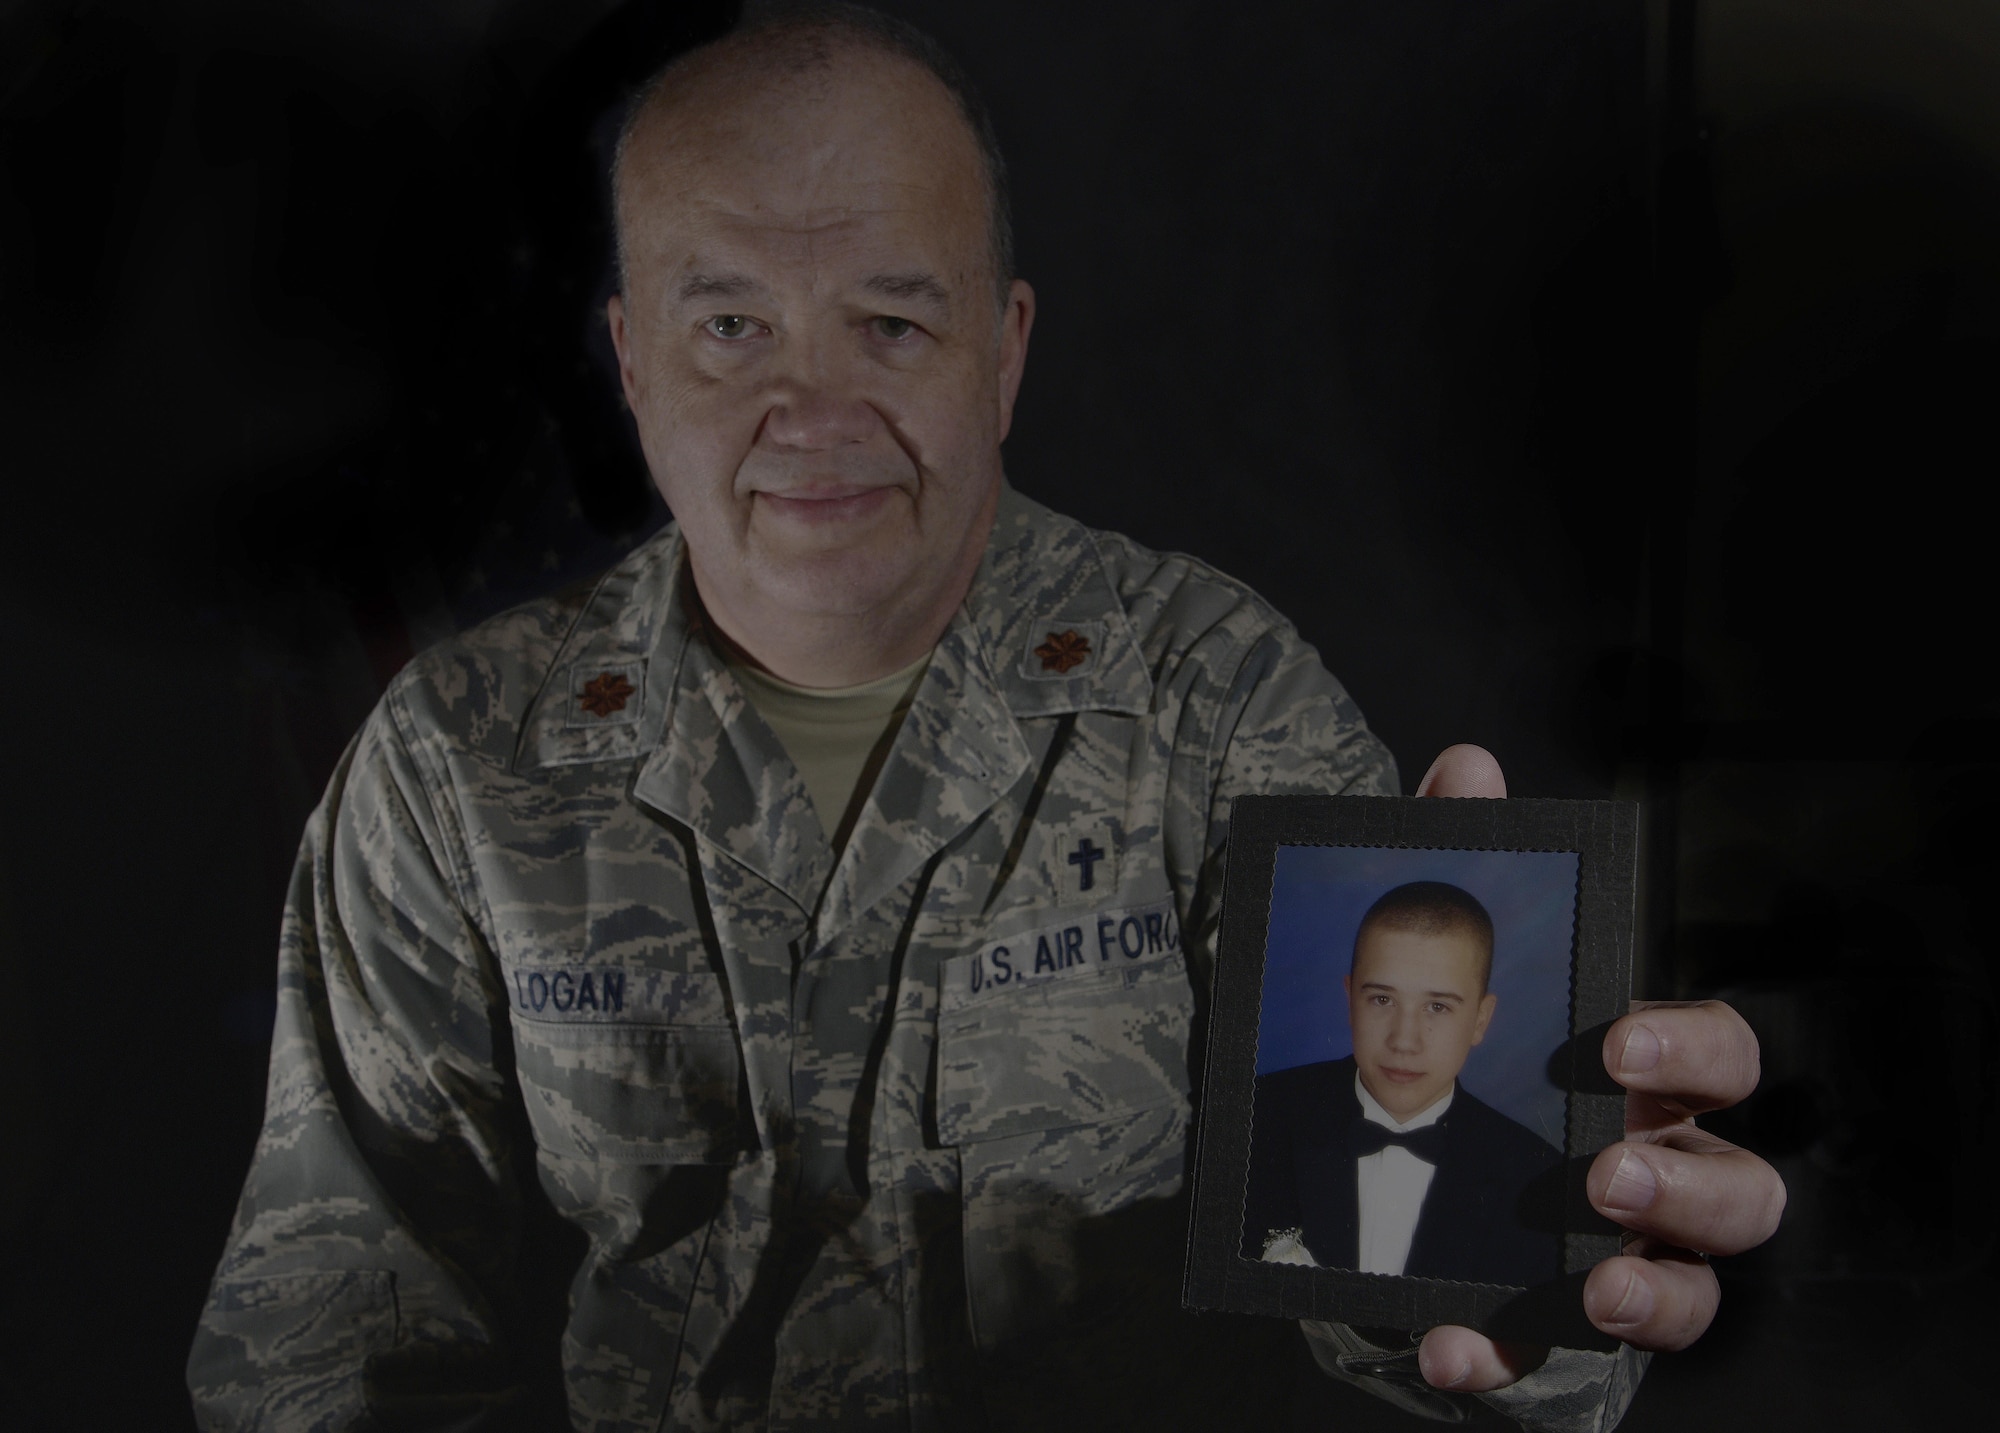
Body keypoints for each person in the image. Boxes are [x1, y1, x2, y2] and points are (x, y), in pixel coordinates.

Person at [188, 6, 1785, 1430]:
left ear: (1004, 354)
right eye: (731, 324)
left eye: (893, 322)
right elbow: (332, 1351)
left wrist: (1549, 1271)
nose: (811, 412)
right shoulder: (460, 761)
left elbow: (1414, 1279)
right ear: (628, 360)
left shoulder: (1208, 701)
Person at [1244, 881, 1561, 1288]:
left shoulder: (1537, 1179)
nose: (1404, 1042)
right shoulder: (1252, 1118)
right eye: (1381, 1000)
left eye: (1437, 1007)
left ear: (1481, 1019)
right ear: (1350, 999)